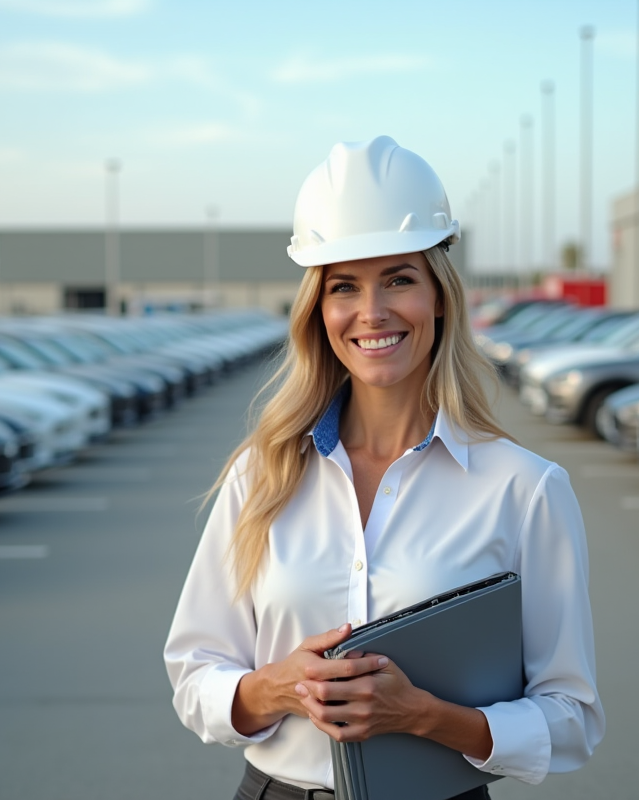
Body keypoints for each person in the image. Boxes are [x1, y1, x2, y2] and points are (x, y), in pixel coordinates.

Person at [164, 136, 604, 799]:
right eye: (345, 287)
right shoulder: (261, 476)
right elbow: (194, 675)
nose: (372, 312)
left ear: (440, 298)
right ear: (319, 310)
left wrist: (427, 718)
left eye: (399, 278)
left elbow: (572, 720)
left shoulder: (524, 488)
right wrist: (271, 688)